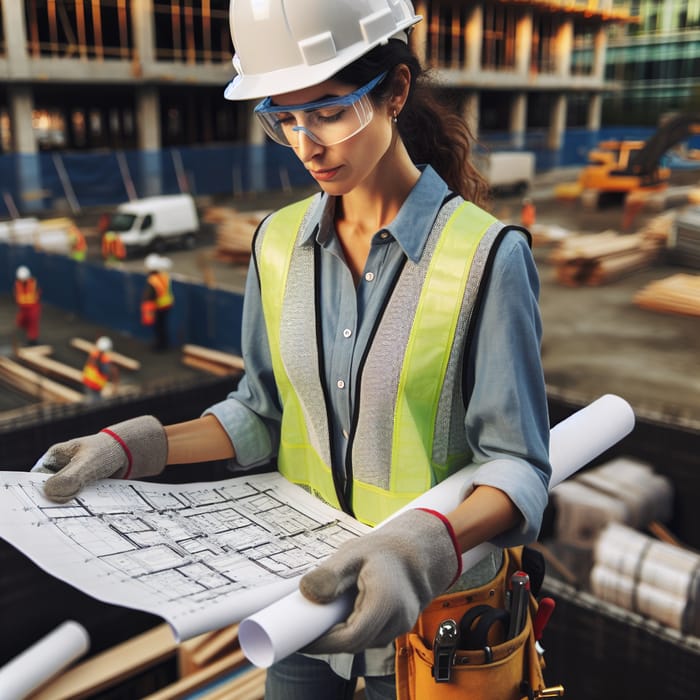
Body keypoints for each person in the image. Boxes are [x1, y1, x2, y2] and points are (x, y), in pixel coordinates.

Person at [32, 2, 551, 698]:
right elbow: (260, 411)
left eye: (331, 111)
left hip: (438, 620)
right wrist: (133, 448)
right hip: (306, 602)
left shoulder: (485, 256)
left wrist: (423, 549)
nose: (308, 143)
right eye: (285, 117)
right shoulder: (277, 244)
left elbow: (517, 465)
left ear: (396, 90)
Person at [141, 254, 174, 352]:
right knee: (163, 326)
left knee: (158, 328)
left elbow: (149, 295)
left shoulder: (152, 280)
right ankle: (164, 344)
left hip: (159, 307)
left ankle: (160, 346)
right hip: (167, 305)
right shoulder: (164, 276)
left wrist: (146, 304)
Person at [82, 336, 119, 402]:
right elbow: (111, 372)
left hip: (89, 384)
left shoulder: (94, 354)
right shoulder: (104, 361)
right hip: (94, 387)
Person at [13, 265, 42, 346]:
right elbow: (16, 295)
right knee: (21, 322)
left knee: (32, 324)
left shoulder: (33, 284)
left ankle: (32, 341)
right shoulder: (17, 285)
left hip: (33, 308)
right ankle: (22, 337)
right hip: (23, 309)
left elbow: (38, 295)